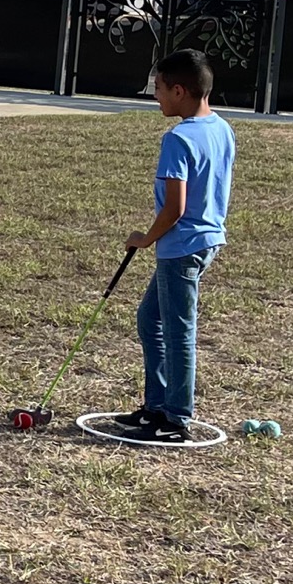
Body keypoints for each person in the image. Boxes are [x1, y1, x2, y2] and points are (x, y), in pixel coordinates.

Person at [119, 46, 235, 443]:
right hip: (205, 242)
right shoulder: (222, 127)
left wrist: (146, 238)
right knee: (150, 320)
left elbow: (176, 207)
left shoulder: (178, 138)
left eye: (160, 88)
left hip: (181, 246)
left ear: (180, 91)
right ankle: (156, 405)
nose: (156, 96)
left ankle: (175, 418)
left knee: (177, 331)